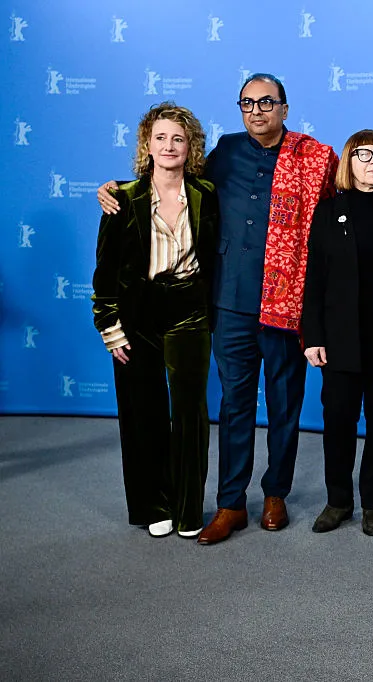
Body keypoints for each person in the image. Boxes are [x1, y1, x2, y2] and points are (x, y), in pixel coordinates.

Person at [99, 74, 339, 544]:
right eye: (247, 103)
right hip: (229, 302)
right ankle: (232, 503)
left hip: (286, 302)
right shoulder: (225, 151)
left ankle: (276, 493)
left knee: (285, 403)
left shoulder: (312, 158)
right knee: (234, 405)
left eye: (266, 102)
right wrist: (115, 188)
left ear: (285, 108)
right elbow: (172, 180)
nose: (256, 111)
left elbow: (343, 199)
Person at [91, 103, 219, 539]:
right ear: (147, 144)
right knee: (141, 411)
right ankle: (153, 505)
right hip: (138, 314)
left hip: (190, 309)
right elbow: (105, 272)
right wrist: (110, 328)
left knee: (190, 414)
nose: (169, 146)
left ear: (190, 146)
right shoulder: (122, 198)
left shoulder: (206, 194)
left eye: (178, 139)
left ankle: (188, 509)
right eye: (160, 137)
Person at [302, 130, 373, 537]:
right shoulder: (329, 210)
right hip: (339, 337)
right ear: (348, 161)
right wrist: (313, 336)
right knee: (338, 422)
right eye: (364, 155)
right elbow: (314, 278)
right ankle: (338, 500)